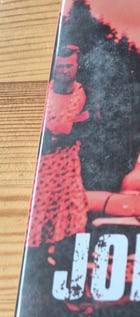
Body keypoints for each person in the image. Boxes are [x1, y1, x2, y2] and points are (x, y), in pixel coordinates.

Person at [28, 45, 90, 251]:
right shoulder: (43, 93)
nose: (64, 71)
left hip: (68, 171)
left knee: (73, 220)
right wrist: (60, 129)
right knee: (38, 223)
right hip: (42, 171)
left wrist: (62, 128)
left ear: (77, 66)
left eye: (68, 66)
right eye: (59, 66)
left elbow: (81, 127)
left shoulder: (84, 94)